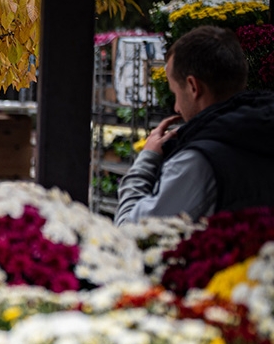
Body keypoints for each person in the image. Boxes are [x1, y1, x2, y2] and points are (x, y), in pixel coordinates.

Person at [115, 26, 274, 225]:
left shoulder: (198, 162)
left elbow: (130, 231)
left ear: (193, 87)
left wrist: (146, 160)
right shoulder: (262, 129)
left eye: (175, 93)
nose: (176, 107)